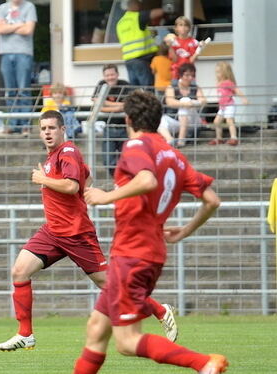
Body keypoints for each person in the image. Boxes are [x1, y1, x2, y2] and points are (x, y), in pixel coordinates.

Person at [0, 110, 177, 352]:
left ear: (62, 129)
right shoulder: (55, 157)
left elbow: (71, 186)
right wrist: (84, 191)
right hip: (53, 232)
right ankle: (25, 334)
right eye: (43, 128)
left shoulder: (68, 151)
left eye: (51, 128)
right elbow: (86, 178)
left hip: (76, 233)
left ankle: (161, 311)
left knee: (110, 285)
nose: (47, 132)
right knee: (19, 271)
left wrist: (44, 179)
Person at [74, 90, 227, 374]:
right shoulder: (175, 155)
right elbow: (212, 200)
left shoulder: (135, 146)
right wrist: (183, 232)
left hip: (132, 252)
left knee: (127, 342)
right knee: (97, 329)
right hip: (150, 252)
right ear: (157, 120)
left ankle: (203, 363)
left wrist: (105, 196)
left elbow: (146, 179)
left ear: (128, 118)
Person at [0, 0, 37, 136]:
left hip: (23, 52)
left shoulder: (29, 6)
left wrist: (9, 26)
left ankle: (26, 125)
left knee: (24, 90)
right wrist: (19, 24)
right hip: (6, 53)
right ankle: (14, 125)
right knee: (10, 91)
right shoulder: (3, 8)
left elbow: (29, 29)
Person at [91, 64, 132, 176]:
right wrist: (118, 107)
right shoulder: (101, 84)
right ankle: (116, 179)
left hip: (124, 128)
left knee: (126, 159)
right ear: (104, 76)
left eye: (112, 74)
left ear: (117, 74)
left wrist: (104, 103)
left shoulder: (125, 85)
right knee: (108, 161)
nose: (110, 77)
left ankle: (123, 181)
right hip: (108, 128)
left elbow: (128, 105)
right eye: (107, 75)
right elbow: (96, 103)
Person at [116, 0, 164, 86]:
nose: (140, 5)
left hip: (129, 60)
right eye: (138, 3)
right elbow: (158, 12)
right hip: (142, 60)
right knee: (148, 88)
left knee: (135, 89)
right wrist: (169, 8)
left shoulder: (120, 23)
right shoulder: (137, 17)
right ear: (133, 4)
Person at [161, 63, 207, 147]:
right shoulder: (171, 87)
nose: (190, 78)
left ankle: (181, 141)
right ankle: (170, 139)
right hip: (176, 120)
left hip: (193, 120)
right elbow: (169, 101)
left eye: (192, 76)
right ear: (181, 75)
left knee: (185, 100)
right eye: (187, 75)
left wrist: (192, 103)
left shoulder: (195, 87)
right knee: (161, 119)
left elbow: (203, 100)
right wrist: (185, 104)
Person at [208, 61, 248, 146]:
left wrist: (243, 98)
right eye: (216, 72)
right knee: (216, 121)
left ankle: (234, 137)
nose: (217, 74)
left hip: (229, 104)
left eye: (219, 72)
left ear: (225, 72)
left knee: (229, 120)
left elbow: (236, 90)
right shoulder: (219, 83)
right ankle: (219, 138)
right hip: (222, 107)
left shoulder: (228, 82)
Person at [165, 16, 208, 84]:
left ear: (189, 28)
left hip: (190, 75)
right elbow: (175, 60)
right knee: (175, 93)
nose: (183, 28)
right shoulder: (173, 41)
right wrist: (170, 47)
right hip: (176, 74)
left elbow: (191, 60)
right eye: (180, 25)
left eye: (186, 25)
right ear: (176, 28)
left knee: (192, 93)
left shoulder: (194, 42)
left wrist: (199, 49)